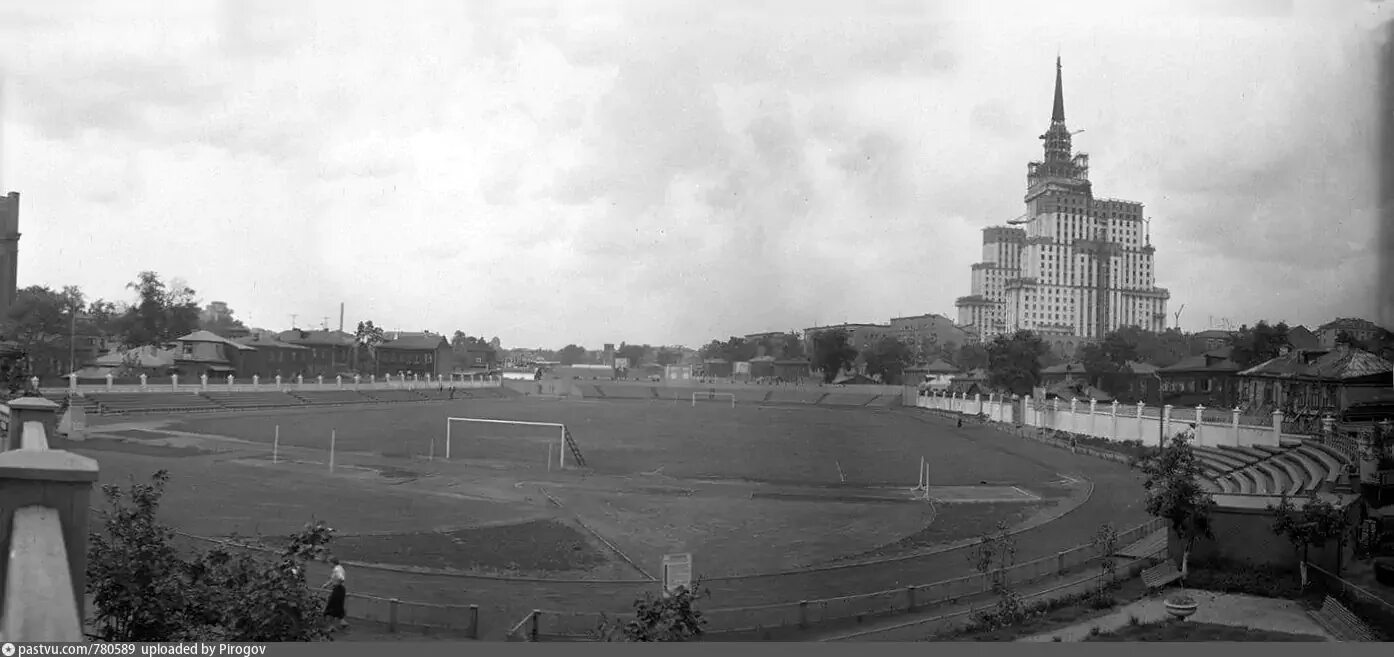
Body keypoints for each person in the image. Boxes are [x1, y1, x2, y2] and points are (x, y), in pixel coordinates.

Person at [322, 557, 348, 629]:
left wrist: (338, 582)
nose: (329, 565)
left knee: (331, 606)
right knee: (338, 605)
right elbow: (333, 579)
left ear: (332, 563)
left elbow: (341, 578)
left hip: (338, 589)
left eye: (329, 563)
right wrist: (326, 585)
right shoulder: (339, 568)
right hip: (340, 589)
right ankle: (342, 622)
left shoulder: (337, 569)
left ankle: (331, 626)